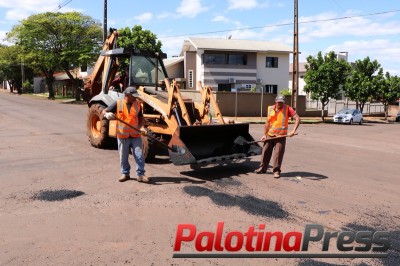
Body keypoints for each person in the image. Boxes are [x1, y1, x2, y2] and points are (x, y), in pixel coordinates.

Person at [103, 86, 150, 183]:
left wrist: (141, 127)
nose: (136, 98)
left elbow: (141, 118)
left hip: (135, 135)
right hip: (123, 136)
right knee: (123, 156)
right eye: (134, 96)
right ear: (127, 95)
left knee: (139, 155)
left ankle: (140, 175)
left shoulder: (137, 104)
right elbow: (104, 111)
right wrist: (107, 115)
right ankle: (125, 173)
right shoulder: (118, 103)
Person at [254, 95, 300, 178]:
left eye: (282, 102)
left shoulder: (288, 109)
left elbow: (297, 118)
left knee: (278, 154)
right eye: (279, 102)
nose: (280, 104)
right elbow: (267, 122)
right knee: (265, 151)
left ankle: (276, 171)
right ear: (276, 101)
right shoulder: (270, 108)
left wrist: (293, 131)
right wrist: (264, 134)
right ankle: (263, 168)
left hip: (281, 136)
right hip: (270, 135)